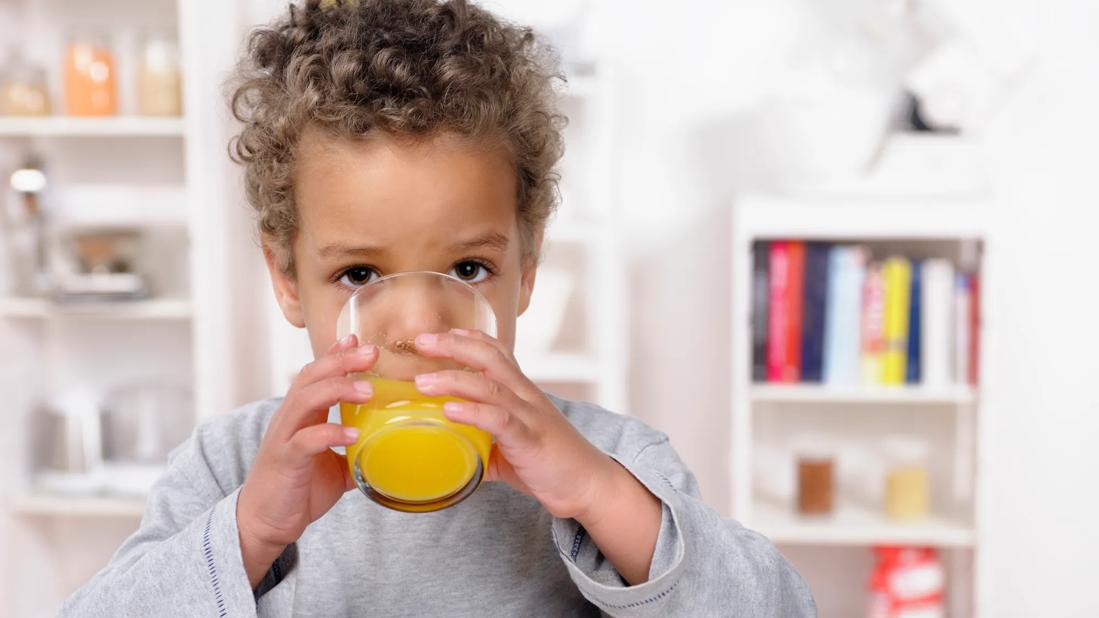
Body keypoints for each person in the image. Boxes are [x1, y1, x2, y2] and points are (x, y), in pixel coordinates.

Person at [64, 1, 815, 615]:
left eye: (467, 268)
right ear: (288, 279)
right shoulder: (232, 467)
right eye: (360, 272)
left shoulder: (611, 462)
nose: (421, 328)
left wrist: (597, 496)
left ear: (525, 269)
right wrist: (252, 529)